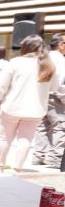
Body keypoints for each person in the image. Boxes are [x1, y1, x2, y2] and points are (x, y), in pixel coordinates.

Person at [0, 35, 60, 173]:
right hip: (36, 110)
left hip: (12, 106)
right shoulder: (49, 65)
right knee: (26, 139)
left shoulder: (15, 62)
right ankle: (18, 167)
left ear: (26, 47)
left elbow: (1, 86)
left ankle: (0, 166)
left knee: (5, 138)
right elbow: (55, 88)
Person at [32, 33, 65, 168]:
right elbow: (60, 83)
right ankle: (54, 157)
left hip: (40, 95)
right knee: (60, 126)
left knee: (42, 126)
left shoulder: (42, 57)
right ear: (61, 46)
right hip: (55, 96)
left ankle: (39, 155)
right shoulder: (61, 60)